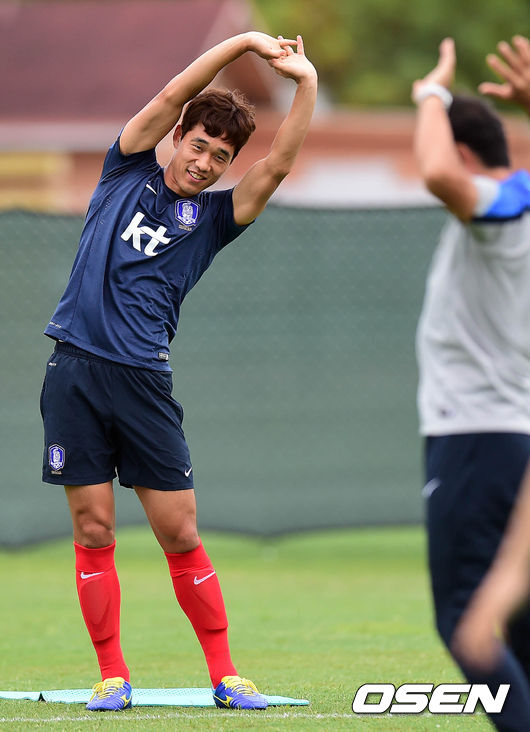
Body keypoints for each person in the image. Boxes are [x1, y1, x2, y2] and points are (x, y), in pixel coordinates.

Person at [40, 31, 317, 712]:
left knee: (181, 533)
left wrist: (306, 83)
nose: (205, 162)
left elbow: (278, 165)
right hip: (74, 372)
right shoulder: (124, 169)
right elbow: (171, 94)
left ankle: (226, 677)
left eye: (221, 157)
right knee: (93, 529)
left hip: (144, 383)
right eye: (198, 145)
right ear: (178, 138)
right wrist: (243, 43)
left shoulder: (217, 218)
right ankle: (112, 677)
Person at [412, 34, 530, 731]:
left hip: (479, 438)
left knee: (466, 617)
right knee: (519, 628)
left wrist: (431, 94)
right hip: (510, 437)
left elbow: (436, 173)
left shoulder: (504, 205)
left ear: (462, 150)